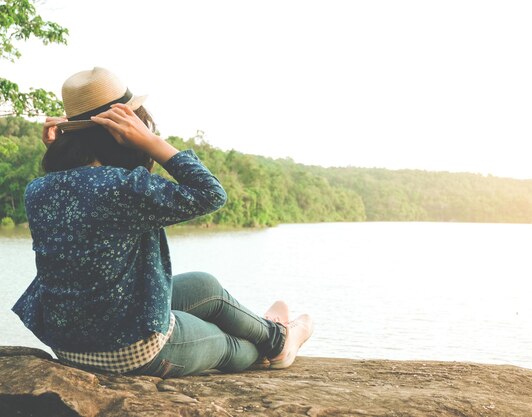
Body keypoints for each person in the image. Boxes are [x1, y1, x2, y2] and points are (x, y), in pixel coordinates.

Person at [12, 67, 313, 378]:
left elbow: (80, 197)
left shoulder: (40, 189)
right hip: (129, 351)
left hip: (70, 344)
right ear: (124, 129)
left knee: (205, 286)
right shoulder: (122, 187)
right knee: (235, 346)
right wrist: (152, 141)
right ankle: (277, 344)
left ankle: (274, 334)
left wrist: (67, 151)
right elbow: (211, 194)